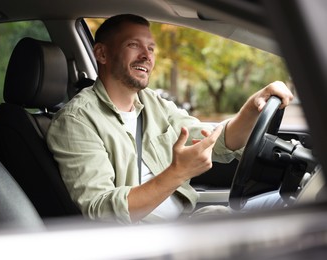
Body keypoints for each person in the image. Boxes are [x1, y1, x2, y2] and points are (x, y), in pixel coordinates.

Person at [46, 14, 294, 224]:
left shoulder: (153, 102)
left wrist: (252, 107)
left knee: (291, 204)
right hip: (149, 244)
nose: (147, 56)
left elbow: (216, 141)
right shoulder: (76, 121)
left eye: (151, 48)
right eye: (134, 45)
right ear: (101, 53)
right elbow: (102, 212)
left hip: (188, 221)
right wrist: (178, 172)